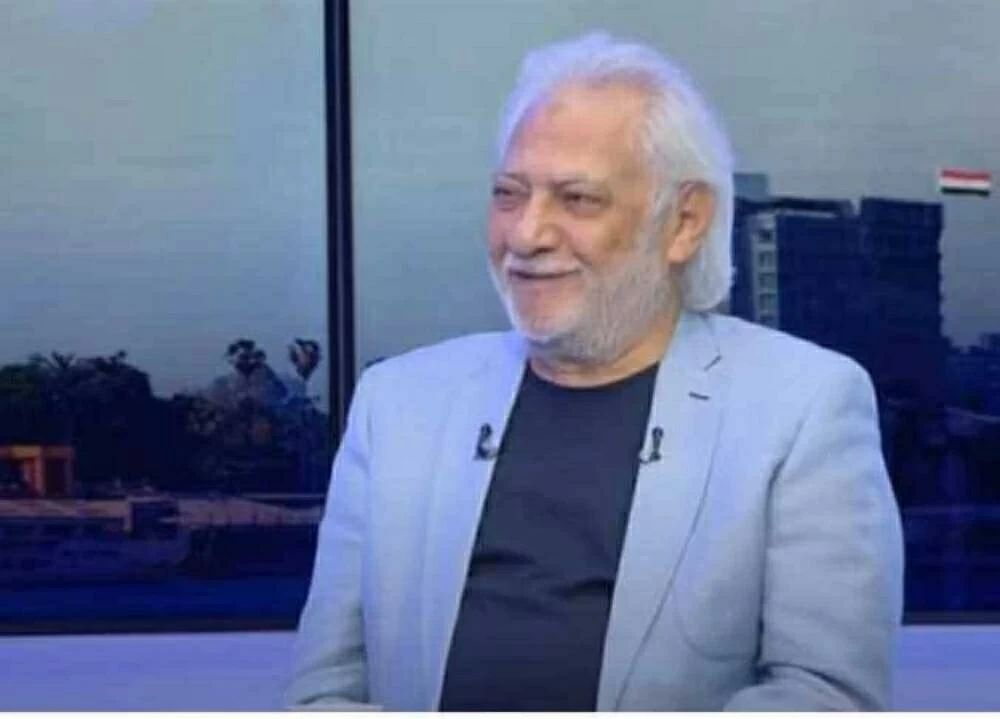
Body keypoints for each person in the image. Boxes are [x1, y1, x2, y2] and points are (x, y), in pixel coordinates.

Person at [286, 32, 904, 711]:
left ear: (684, 222)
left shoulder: (803, 407)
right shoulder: (395, 405)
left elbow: (824, 695)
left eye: (577, 199)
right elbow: (322, 694)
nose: (526, 235)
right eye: (508, 194)